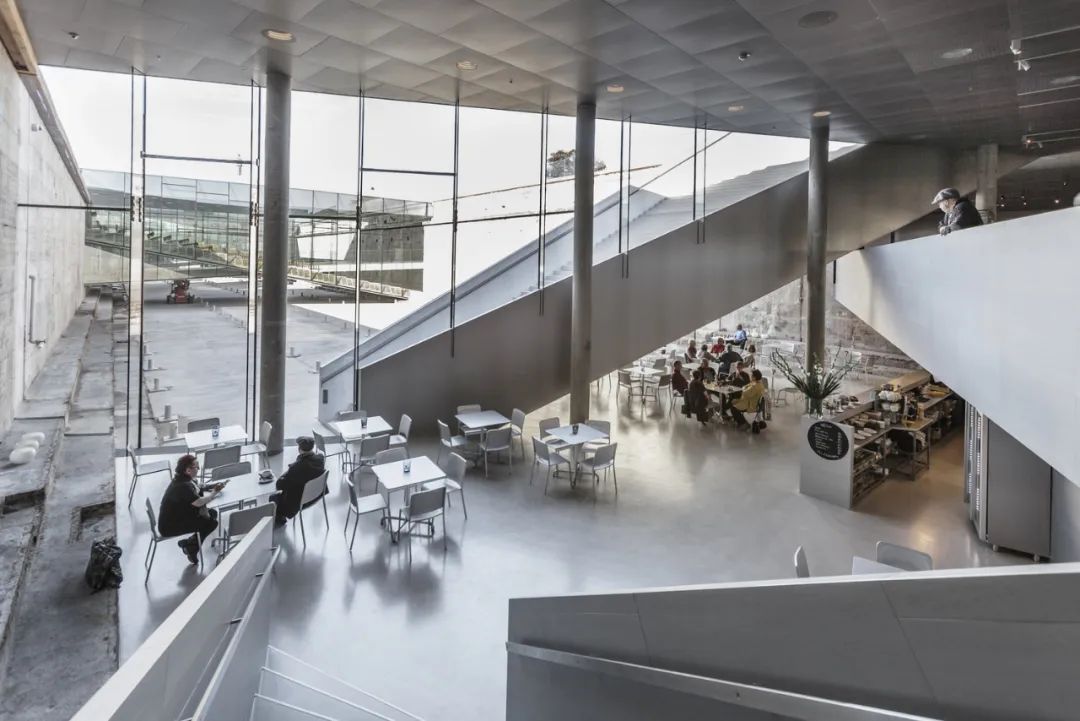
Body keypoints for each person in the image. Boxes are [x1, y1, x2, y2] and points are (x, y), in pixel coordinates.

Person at [158, 455, 222, 564]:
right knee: (211, 523)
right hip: (169, 526)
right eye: (197, 467)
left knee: (212, 513)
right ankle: (191, 548)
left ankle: (190, 544)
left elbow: (197, 487)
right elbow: (199, 502)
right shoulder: (183, 486)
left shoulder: (182, 479)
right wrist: (213, 493)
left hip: (178, 517)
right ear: (188, 470)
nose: (199, 469)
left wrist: (211, 486)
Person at [269, 436, 327, 526]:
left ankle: (278, 521)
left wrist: (286, 474)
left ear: (299, 449)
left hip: (300, 500)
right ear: (312, 447)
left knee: (273, 497)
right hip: (316, 495)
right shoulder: (320, 458)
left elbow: (280, 485)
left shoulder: (297, 467)